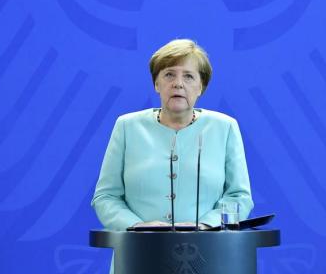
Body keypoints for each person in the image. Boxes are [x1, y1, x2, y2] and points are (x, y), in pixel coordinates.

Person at [91, 38, 253, 235]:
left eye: (188, 76)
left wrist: (205, 226)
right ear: (156, 83)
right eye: (169, 75)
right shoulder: (127, 127)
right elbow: (106, 196)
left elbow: (239, 196)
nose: (178, 84)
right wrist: (136, 226)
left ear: (201, 86)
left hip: (208, 253)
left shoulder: (225, 127)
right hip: (137, 254)